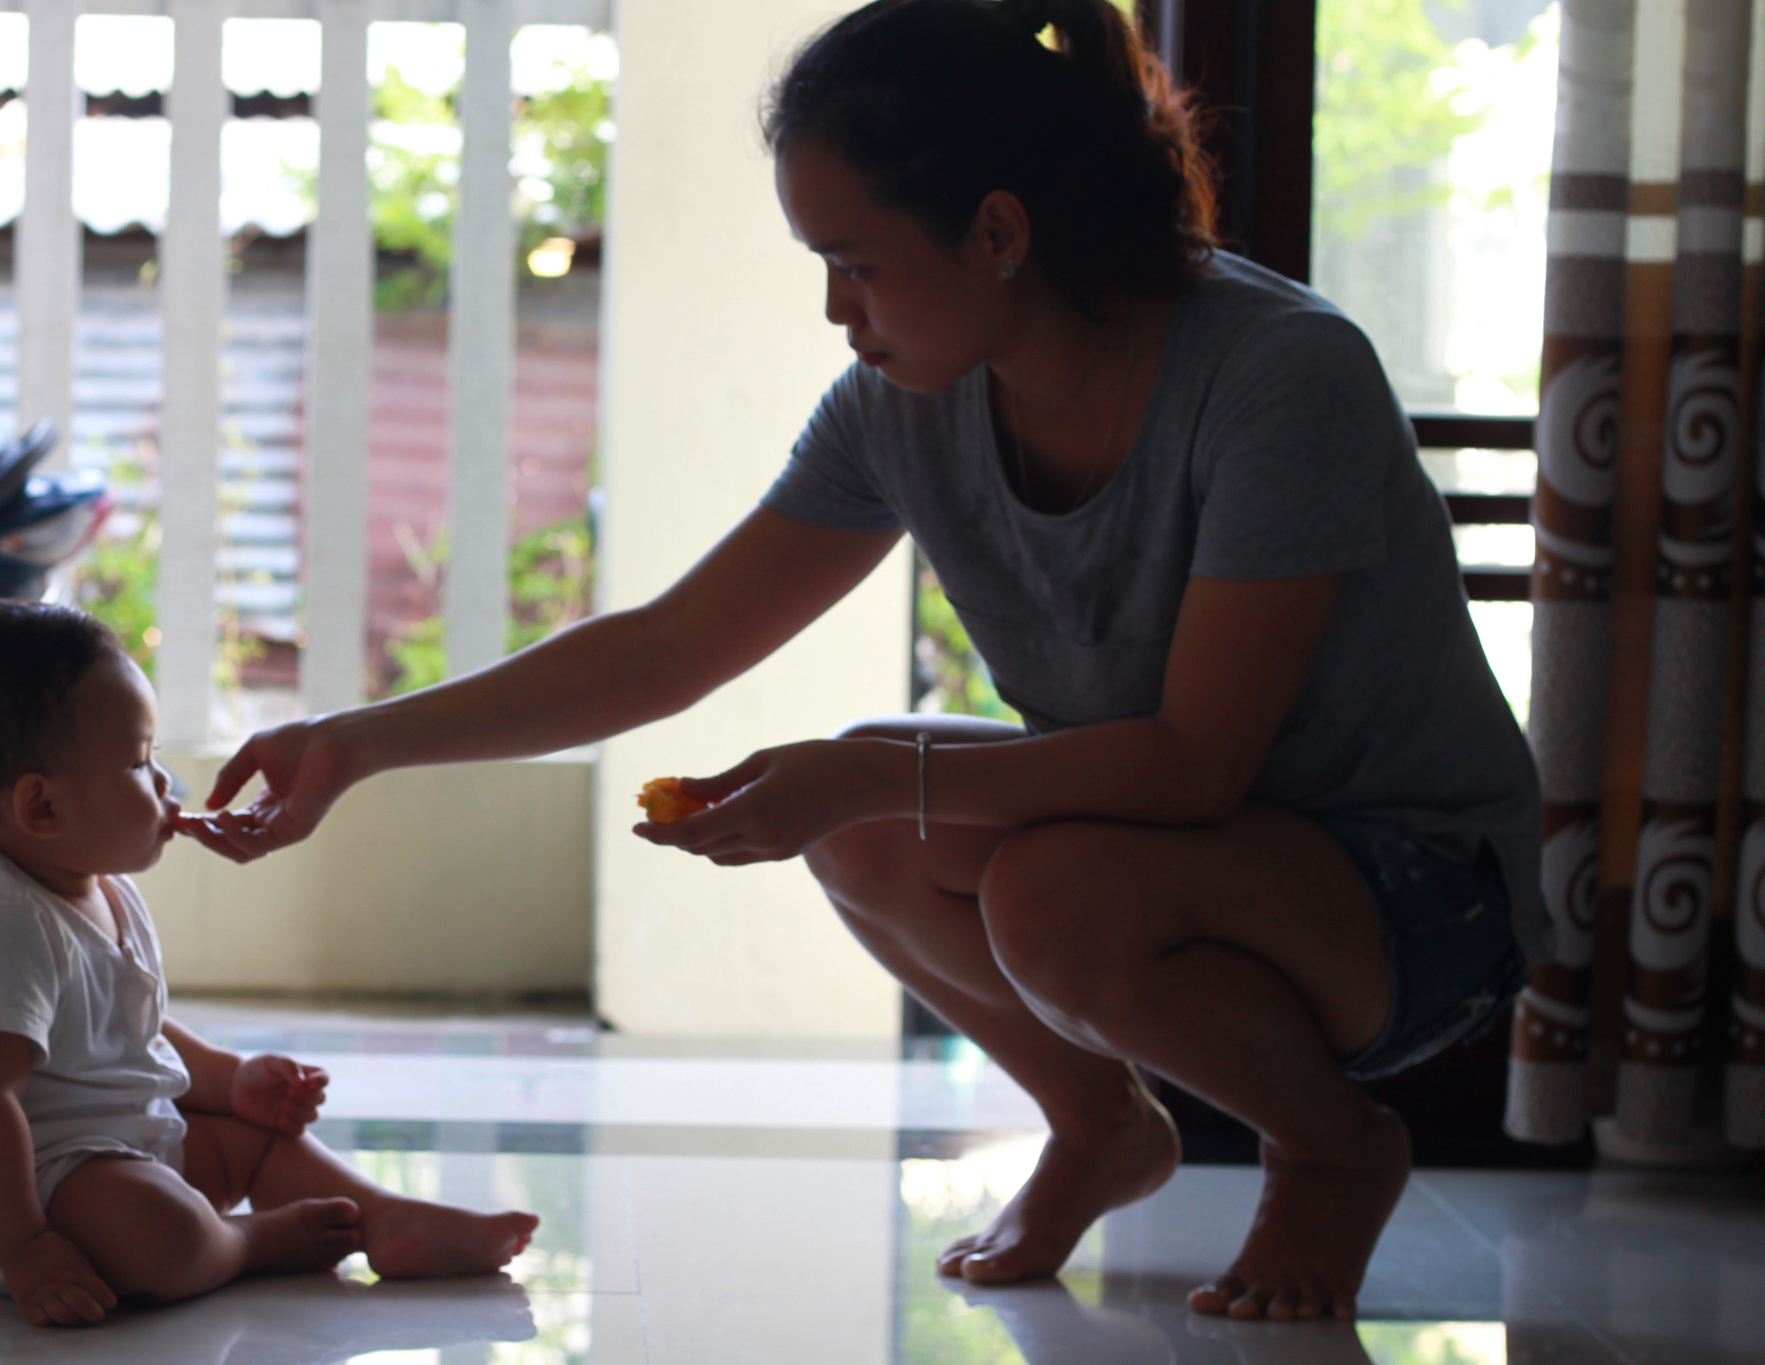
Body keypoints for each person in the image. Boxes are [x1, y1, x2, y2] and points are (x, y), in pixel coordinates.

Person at [185, 0, 1544, 1322]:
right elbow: (669, 646)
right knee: (876, 832)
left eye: (857, 259)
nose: (839, 307)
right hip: (1170, 854)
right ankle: (1098, 1122)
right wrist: (358, 743)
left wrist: (860, 771)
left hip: (1411, 895)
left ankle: (1329, 1145)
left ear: (999, 232)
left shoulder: (1276, 376)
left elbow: (1196, 765)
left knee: (1024, 873)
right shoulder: (904, 401)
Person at [0, 600, 538, 1328]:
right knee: (161, 1230)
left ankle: (383, 1217)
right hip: (13, 1199)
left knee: (261, 1139)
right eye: (138, 762)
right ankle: (246, 1241)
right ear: (40, 806)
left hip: (121, 1154)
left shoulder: (99, 886)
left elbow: (137, 1024)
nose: (166, 783)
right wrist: (25, 1246)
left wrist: (232, 1082)